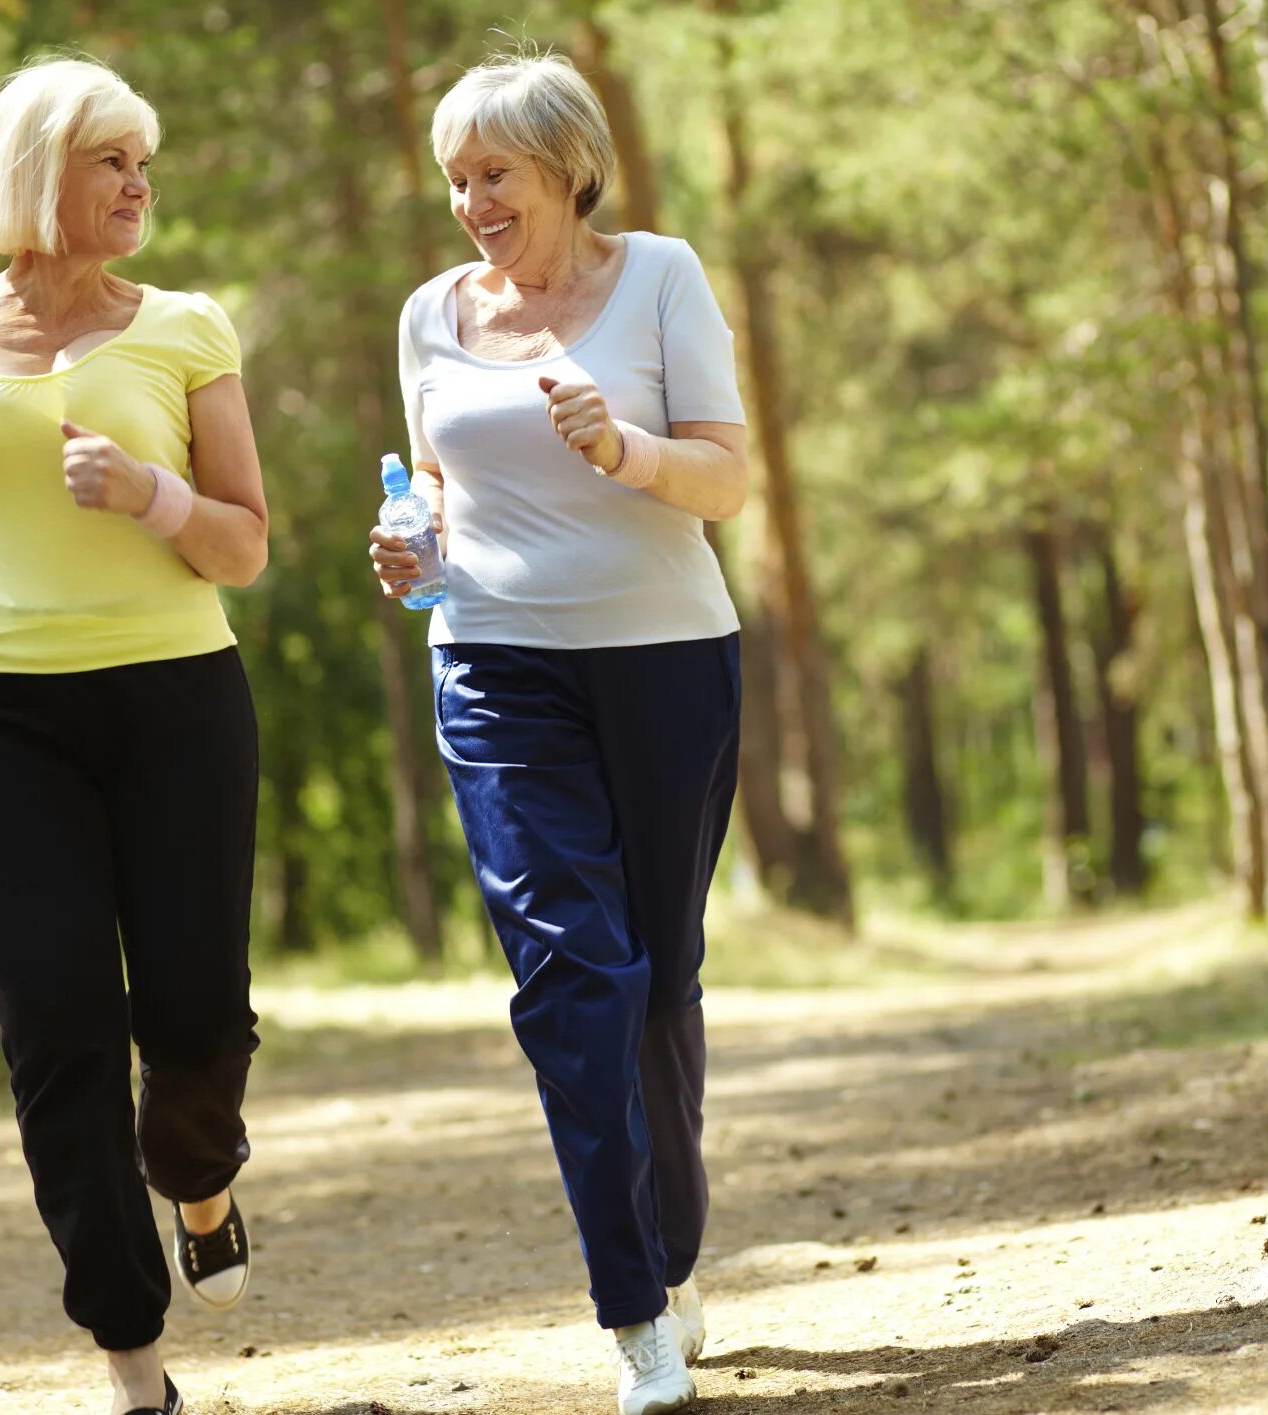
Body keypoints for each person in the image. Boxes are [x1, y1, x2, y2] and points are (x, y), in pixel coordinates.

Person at [0, 57, 267, 1415]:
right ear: (40, 172)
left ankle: (202, 1181)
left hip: (174, 703)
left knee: (195, 1012)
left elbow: (246, 542)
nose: (140, 184)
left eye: (143, 162)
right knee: (57, 1025)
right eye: (114, 161)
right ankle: (130, 1359)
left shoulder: (185, 330)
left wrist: (153, 493)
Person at [369, 49, 751, 1415]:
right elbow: (435, 493)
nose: (470, 201)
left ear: (565, 169)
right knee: (569, 980)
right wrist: (407, 548)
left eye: (494, 174)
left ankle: (674, 1244)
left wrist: (628, 452)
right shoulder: (429, 315)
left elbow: (726, 473)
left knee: (658, 977)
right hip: (492, 667)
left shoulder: (657, 277)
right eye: (454, 178)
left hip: (665, 666)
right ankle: (632, 1307)